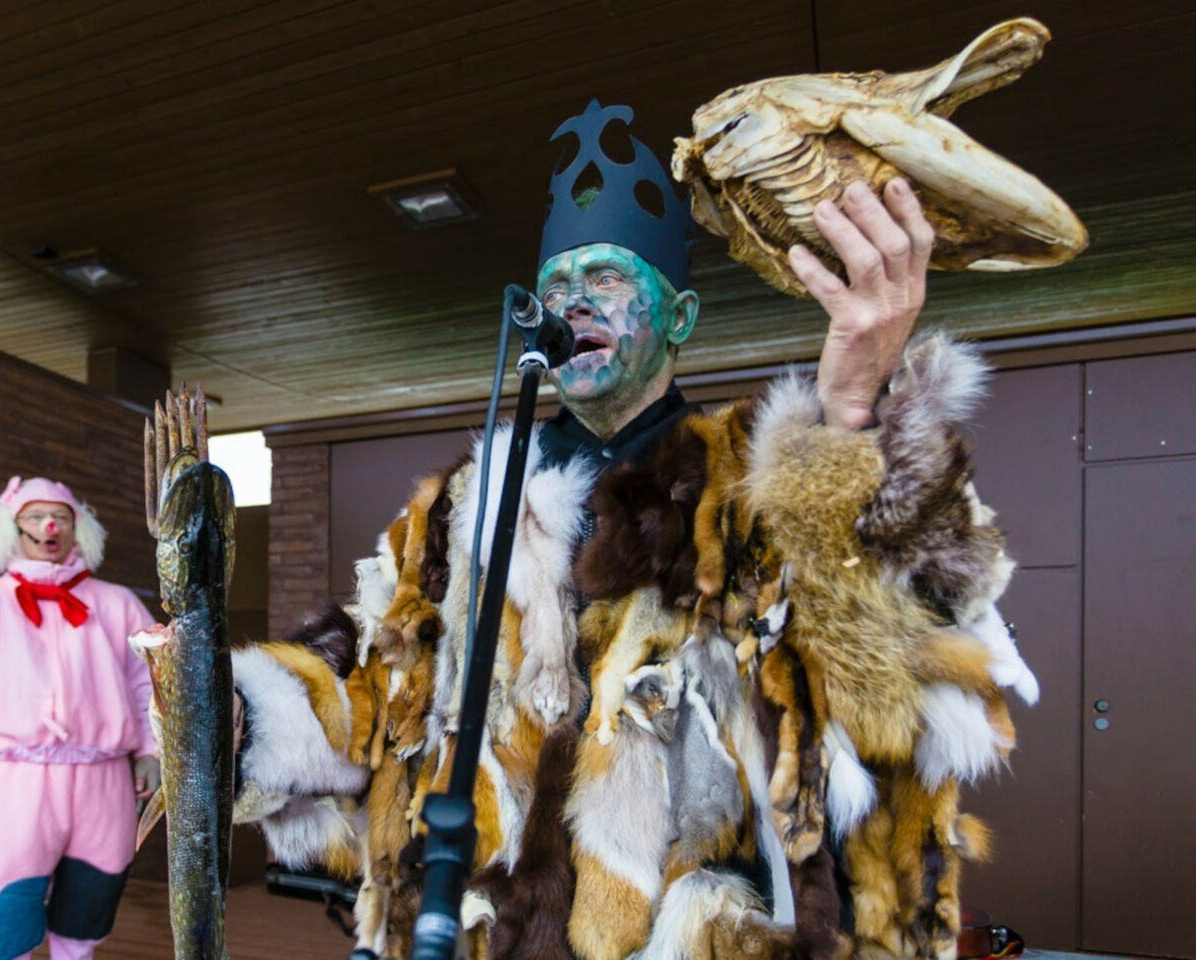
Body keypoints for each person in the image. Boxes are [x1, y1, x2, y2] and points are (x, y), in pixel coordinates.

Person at [224, 100, 1036, 960]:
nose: (573, 302)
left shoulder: (752, 484)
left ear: (679, 317)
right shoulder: (466, 509)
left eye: (606, 279)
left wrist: (848, 428)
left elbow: (899, 682)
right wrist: (230, 710)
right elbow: (380, 691)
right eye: (558, 286)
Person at [0, 476, 161, 960]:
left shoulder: (118, 605)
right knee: (2, 910)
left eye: (62, 517)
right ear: (11, 528)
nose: (50, 526)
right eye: (35, 517)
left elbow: (149, 683)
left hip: (103, 779)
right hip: (13, 780)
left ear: (78, 529)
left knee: (92, 899)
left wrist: (154, 749)